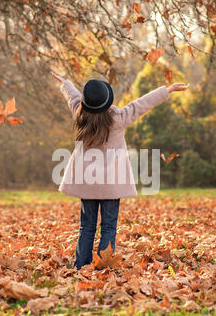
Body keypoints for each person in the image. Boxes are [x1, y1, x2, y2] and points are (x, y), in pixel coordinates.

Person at [51, 70, 189, 269]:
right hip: (111, 187)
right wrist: (167, 90)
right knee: (108, 226)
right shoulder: (118, 118)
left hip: (87, 184)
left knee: (86, 227)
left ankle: (81, 266)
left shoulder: (80, 115)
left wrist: (65, 82)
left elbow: (72, 97)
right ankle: (102, 266)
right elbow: (142, 104)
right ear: (106, 101)